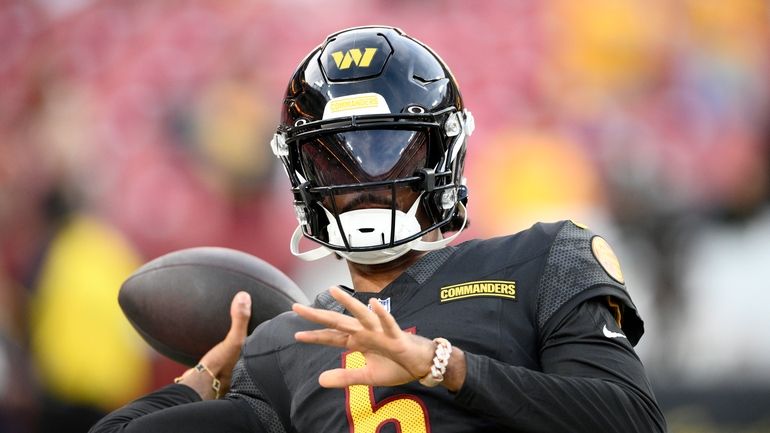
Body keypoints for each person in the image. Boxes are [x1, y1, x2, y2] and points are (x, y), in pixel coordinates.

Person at [90, 26, 667, 432]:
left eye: (388, 151)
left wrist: (446, 366)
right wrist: (209, 374)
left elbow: (633, 422)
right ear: (298, 172)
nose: (363, 181)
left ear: (442, 154)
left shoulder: (542, 259)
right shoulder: (284, 349)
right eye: (333, 160)